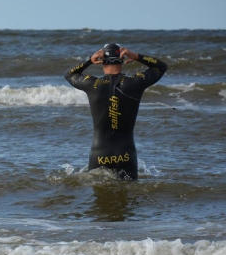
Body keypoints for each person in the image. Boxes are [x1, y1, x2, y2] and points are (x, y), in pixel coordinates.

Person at [64, 44, 167, 180]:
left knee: (100, 197)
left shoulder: (92, 84)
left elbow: (69, 74)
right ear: (122, 58)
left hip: (99, 155)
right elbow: (161, 67)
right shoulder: (135, 82)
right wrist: (136, 56)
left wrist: (89, 60)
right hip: (126, 154)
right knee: (127, 197)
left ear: (102, 60)